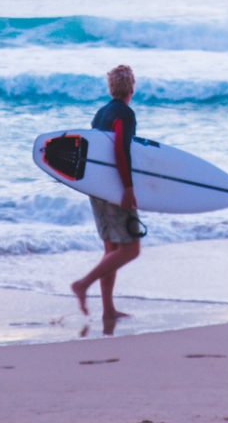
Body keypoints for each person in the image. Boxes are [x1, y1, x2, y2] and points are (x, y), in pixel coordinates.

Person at [70, 64, 142, 324]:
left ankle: (108, 310)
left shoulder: (100, 113)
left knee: (111, 248)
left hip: (96, 187)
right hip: (114, 188)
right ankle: (83, 284)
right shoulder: (125, 114)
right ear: (131, 88)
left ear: (111, 87)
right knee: (131, 249)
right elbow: (121, 150)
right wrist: (128, 188)